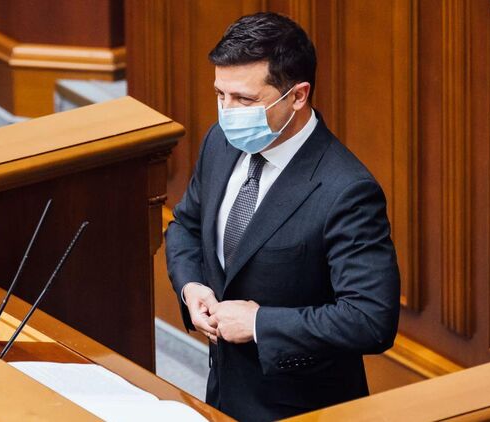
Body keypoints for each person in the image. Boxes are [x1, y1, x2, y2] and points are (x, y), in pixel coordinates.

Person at [165, 12, 400, 421]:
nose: (227, 111)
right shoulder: (220, 142)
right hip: (222, 393)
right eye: (221, 94)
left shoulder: (346, 190)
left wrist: (259, 323)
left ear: (298, 96)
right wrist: (191, 287)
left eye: (245, 100)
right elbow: (186, 226)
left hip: (301, 409)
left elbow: (370, 319)